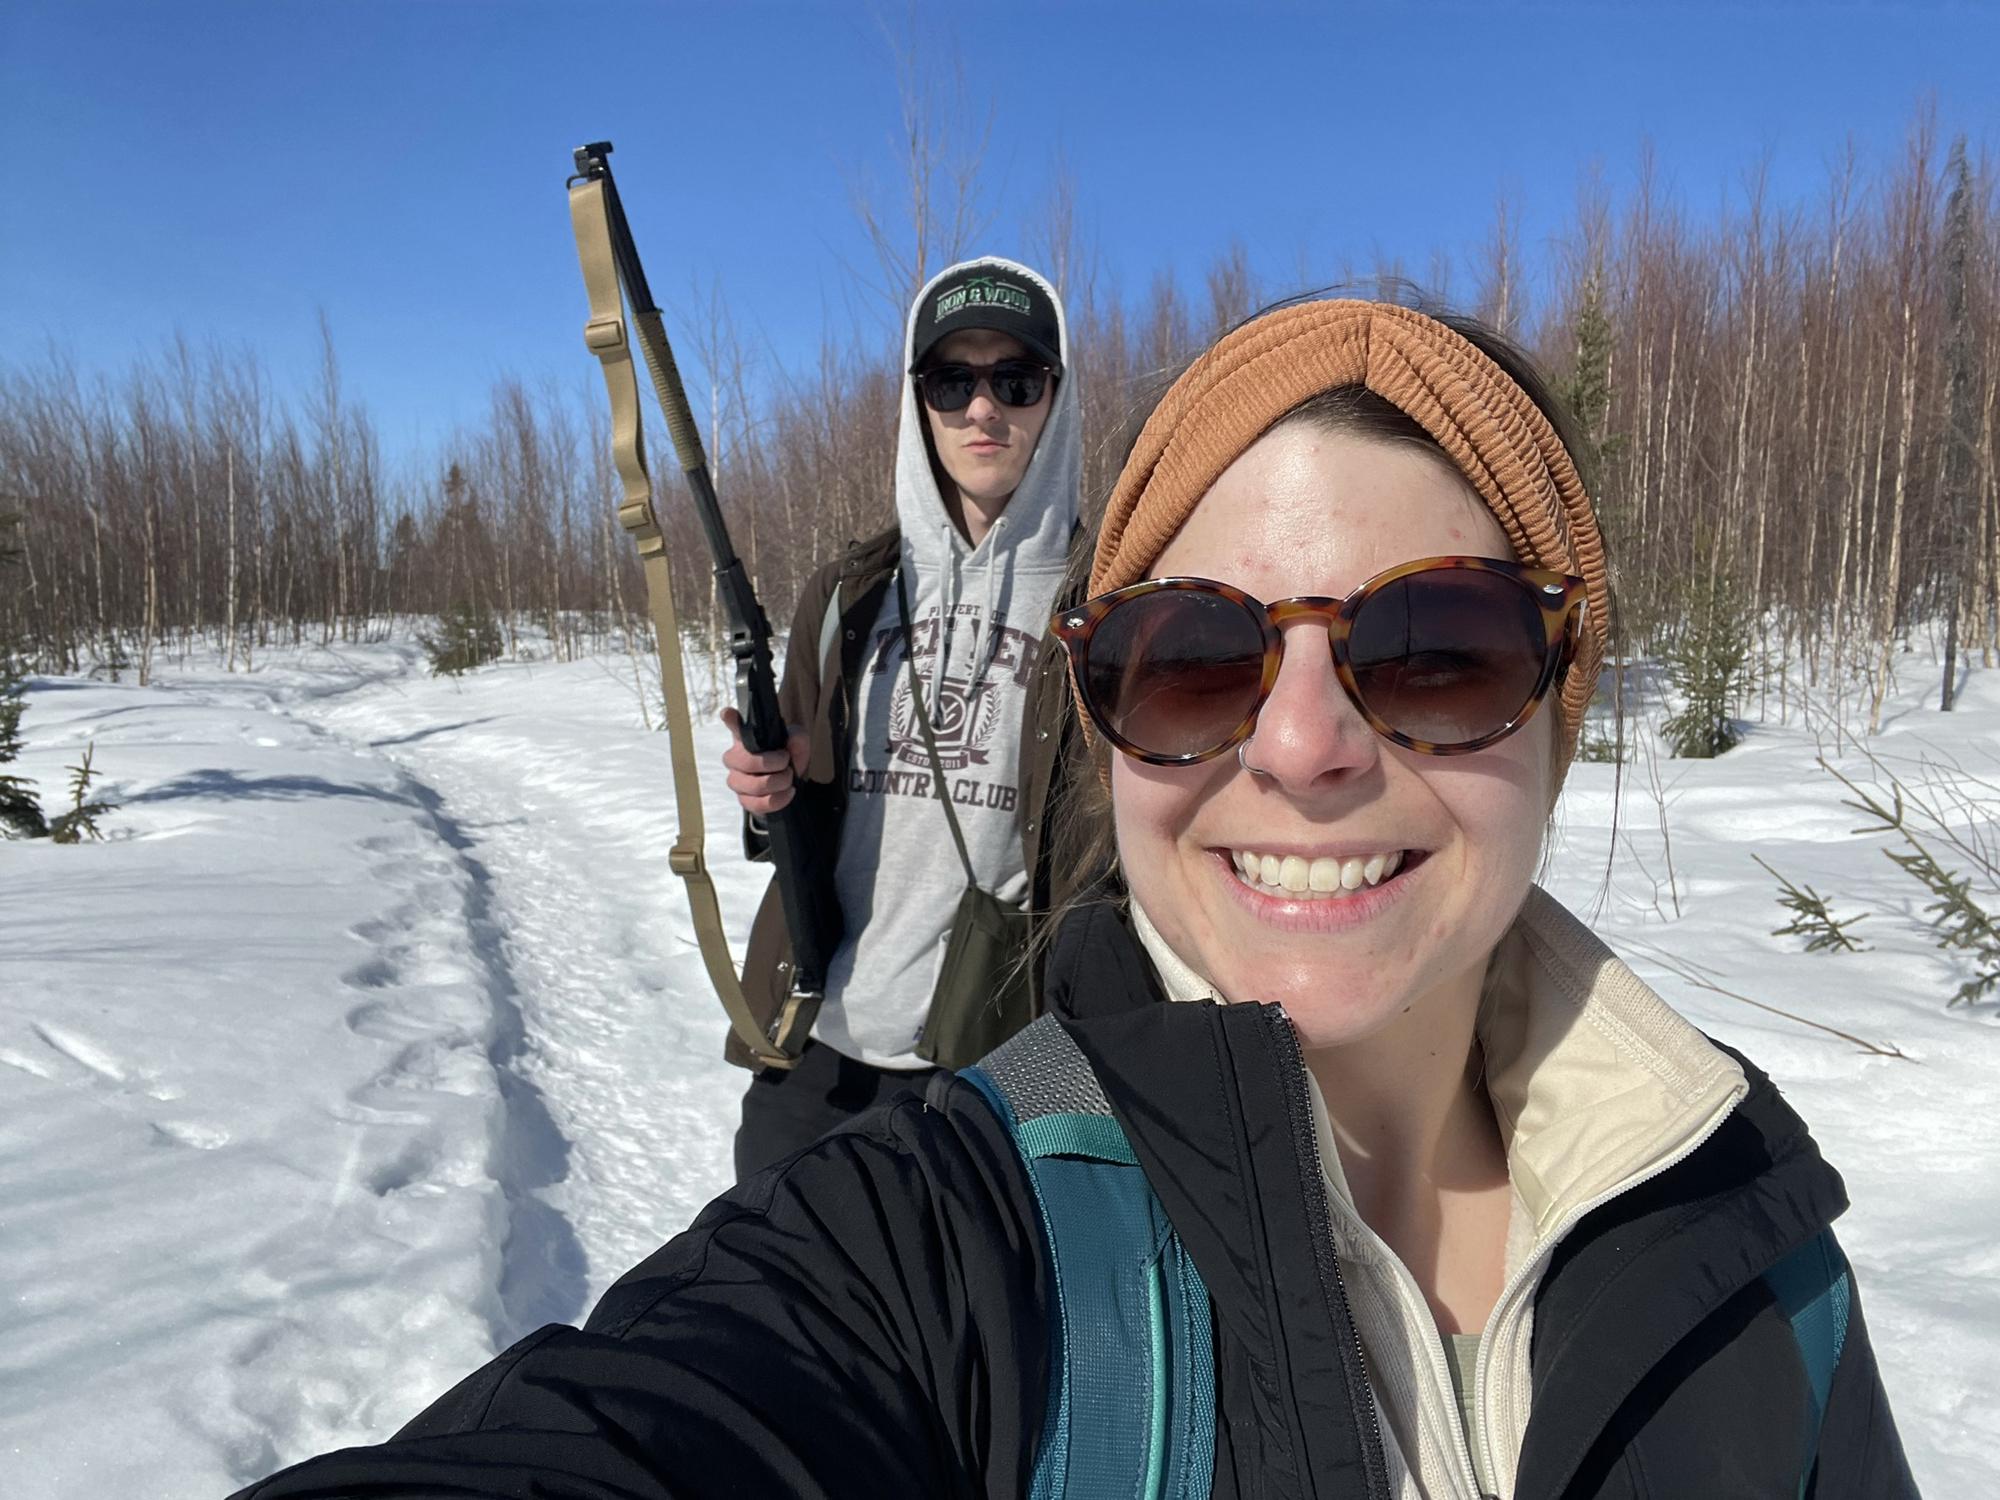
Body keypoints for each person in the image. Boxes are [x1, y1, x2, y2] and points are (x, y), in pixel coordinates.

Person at [235, 297, 1914, 1499]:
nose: (1307, 741)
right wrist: (788, 812)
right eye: (1193, 661)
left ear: (1565, 696)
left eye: (1436, 645)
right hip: (878, 1058)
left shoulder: (1759, 1257)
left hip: (998, 1018)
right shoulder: (954, 1253)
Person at [719, 255, 1082, 1179]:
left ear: (1056, 397)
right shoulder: (850, 592)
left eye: (1017, 379)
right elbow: (788, 824)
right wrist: (771, 796)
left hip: (998, 1071)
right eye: (952, 381)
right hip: (823, 1049)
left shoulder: (1101, 599)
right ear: (917, 400)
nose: (983, 410)